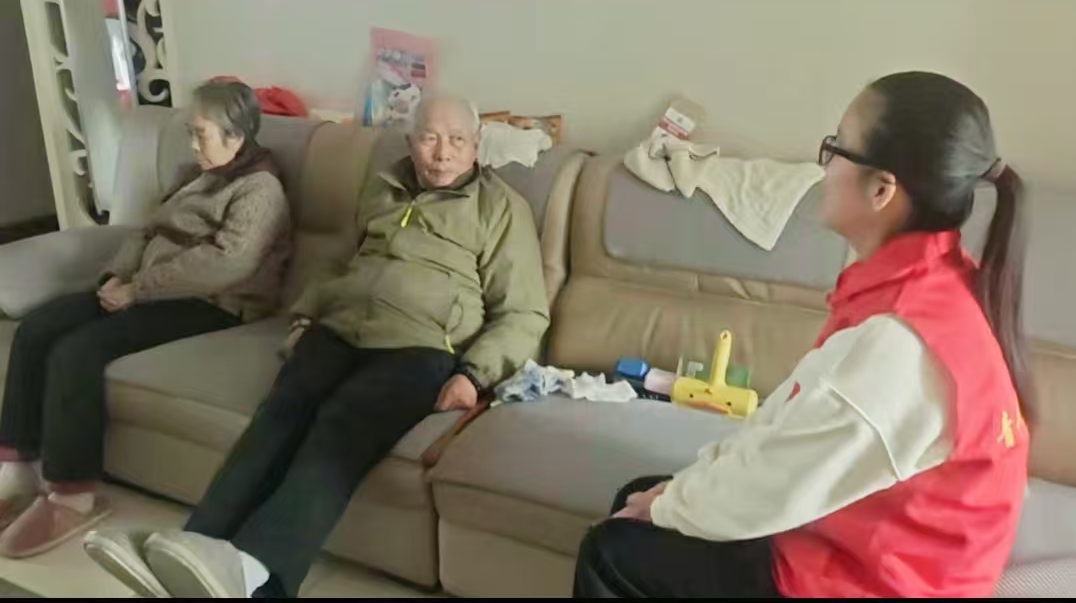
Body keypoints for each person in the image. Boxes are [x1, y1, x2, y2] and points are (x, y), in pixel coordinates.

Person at [573, 71, 1031, 598]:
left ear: (882, 189)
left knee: (612, 550)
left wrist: (669, 506)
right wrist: (674, 497)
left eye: (836, 148)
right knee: (646, 503)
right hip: (862, 546)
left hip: (871, 582)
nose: (824, 167)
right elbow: (786, 430)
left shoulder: (899, 346)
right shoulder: (931, 285)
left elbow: (772, 485)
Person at [85, 95, 550, 598]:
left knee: (339, 428)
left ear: (476, 145)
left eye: (457, 140)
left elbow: (524, 312)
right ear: (410, 141)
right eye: (430, 138)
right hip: (339, 328)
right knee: (279, 415)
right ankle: (191, 552)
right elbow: (345, 262)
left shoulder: (500, 209)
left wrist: (474, 374)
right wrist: (307, 315)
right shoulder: (383, 187)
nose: (443, 153)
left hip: (421, 348)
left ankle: (255, 574)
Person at [0, 80, 292, 558]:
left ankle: (73, 495)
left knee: (77, 351)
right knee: (37, 329)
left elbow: (226, 264)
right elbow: (146, 231)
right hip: (144, 289)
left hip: (212, 305)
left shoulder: (261, 189)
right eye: (190, 133)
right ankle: (17, 471)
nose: (192, 144)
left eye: (201, 134)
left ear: (236, 136)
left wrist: (138, 290)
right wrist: (116, 275)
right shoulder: (194, 175)